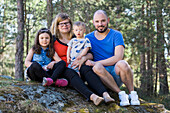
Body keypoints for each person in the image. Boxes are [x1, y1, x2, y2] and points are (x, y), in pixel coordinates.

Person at [50, 13, 114, 105]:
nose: (64, 25)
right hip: (62, 70)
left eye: (67, 23)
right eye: (61, 24)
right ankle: (93, 97)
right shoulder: (53, 39)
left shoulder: (78, 38)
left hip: (78, 67)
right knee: (70, 72)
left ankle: (105, 94)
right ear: (57, 26)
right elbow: (49, 53)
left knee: (86, 68)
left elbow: (91, 55)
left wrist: (83, 58)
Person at [85, 10, 140, 106]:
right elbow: (85, 54)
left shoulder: (116, 35)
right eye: (97, 21)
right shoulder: (88, 38)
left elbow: (118, 57)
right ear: (93, 22)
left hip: (116, 73)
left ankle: (132, 94)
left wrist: (95, 62)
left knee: (123, 63)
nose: (100, 24)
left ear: (108, 20)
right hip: (101, 76)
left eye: (103, 21)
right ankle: (121, 94)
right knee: (97, 67)